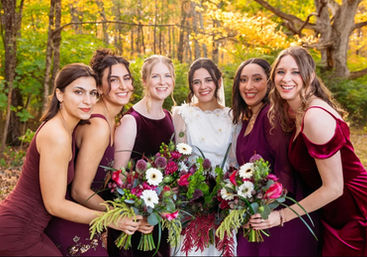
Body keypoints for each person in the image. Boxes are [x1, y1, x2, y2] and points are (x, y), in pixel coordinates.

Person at [253, 46, 367, 256]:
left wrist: (281, 216)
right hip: (333, 213)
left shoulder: (314, 116)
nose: (286, 78)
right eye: (280, 72)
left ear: (310, 76)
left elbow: (334, 187)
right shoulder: (293, 111)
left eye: (295, 72)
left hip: (361, 212)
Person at [0, 63, 140, 256]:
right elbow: (54, 204)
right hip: (18, 230)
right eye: (78, 92)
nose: (88, 100)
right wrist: (110, 218)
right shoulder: (56, 135)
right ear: (60, 95)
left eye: (93, 93)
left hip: (35, 229)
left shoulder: (67, 129)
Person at [45, 49, 141, 256]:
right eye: (114, 80)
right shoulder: (97, 125)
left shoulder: (112, 120)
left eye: (127, 78)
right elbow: (79, 190)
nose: (124, 86)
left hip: (90, 219)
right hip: (70, 219)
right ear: (99, 86)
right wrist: (120, 216)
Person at [231, 58, 319, 256]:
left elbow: (285, 168)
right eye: (243, 80)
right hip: (257, 216)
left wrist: (266, 210)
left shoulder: (271, 115)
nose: (249, 86)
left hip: (282, 217)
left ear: (270, 83)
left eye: (257, 79)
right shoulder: (247, 119)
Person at [113, 55, 175, 256]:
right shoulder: (131, 120)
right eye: (155, 76)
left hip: (159, 217)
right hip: (136, 222)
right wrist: (140, 216)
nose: (162, 81)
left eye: (167, 75)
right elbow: (118, 177)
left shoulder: (169, 117)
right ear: (144, 81)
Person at [172, 58, 235, 256]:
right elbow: (179, 157)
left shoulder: (233, 116)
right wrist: (189, 190)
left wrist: (227, 192)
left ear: (218, 81)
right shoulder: (182, 114)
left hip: (224, 198)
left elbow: (234, 161)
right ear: (191, 85)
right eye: (196, 82)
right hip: (191, 197)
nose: (203, 86)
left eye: (208, 80)